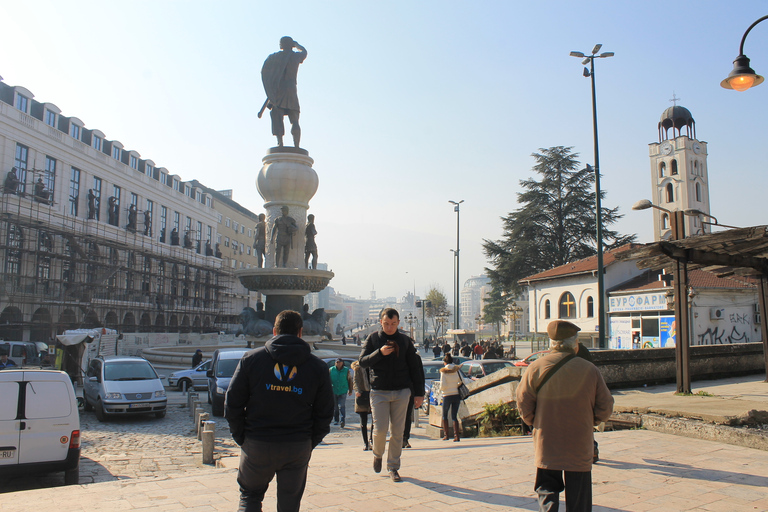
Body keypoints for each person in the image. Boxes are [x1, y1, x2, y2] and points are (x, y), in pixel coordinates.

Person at [225, 310, 334, 512]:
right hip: (297, 444)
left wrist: (242, 437)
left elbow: (232, 402)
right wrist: (310, 441)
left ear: (274, 331)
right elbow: (326, 412)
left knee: (250, 497)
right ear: (301, 332)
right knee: (289, 505)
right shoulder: (317, 367)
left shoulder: (251, 359)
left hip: (258, 442)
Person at [516, 320, 614, 512]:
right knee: (579, 497)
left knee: (547, 489)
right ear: (575, 343)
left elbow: (522, 401)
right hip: (579, 441)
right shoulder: (589, 369)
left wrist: (536, 422)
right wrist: (590, 421)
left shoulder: (536, 368)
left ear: (551, 343)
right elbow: (606, 405)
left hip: (547, 440)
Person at [358, 308, 424, 483]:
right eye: (386, 324)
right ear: (381, 322)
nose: (389, 327)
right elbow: (362, 362)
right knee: (379, 430)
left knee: (398, 432)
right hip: (379, 391)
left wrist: (419, 393)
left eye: (393, 324)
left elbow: (415, 368)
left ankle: (393, 466)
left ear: (398, 323)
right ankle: (377, 454)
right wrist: (379, 353)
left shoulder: (404, 341)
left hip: (402, 391)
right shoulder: (373, 339)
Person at [260, 36, 307, 148]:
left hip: (278, 91)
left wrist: (270, 89)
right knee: (294, 119)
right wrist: (297, 45)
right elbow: (304, 52)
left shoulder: (274, 57)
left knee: (277, 115)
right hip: (290, 89)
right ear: (291, 45)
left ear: (281, 45)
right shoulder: (295, 57)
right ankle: (296, 146)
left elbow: (265, 72)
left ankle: (280, 142)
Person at [439, 353, 462, 442]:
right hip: (456, 394)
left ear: (445, 362)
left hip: (447, 395)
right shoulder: (456, 370)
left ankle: (446, 435)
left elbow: (443, 385)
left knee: (444, 415)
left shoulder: (443, 371)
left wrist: (442, 389)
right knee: (454, 416)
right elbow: (460, 381)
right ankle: (456, 436)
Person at [350, 360, 372, 451]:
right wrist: (357, 391)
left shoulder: (373, 365)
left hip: (373, 395)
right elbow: (355, 380)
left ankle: (372, 440)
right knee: (363, 422)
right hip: (362, 395)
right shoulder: (358, 368)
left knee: (375, 420)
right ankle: (366, 443)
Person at [329, 358, 352, 428]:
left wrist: (350, 390)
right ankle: (336, 420)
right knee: (335, 407)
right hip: (334, 390)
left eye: (339, 362)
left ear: (342, 363)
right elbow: (327, 380)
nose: (338, 363)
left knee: (341, 406)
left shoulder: (346, 370)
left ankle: (342, 420)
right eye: (337, 362)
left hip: (343, 390)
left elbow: (349, 380)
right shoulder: (331, 370)